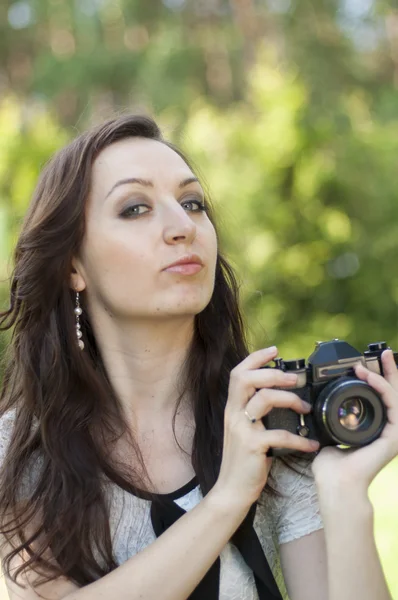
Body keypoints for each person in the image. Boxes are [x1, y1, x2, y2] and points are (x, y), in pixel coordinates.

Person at [0, 114, 396, 600]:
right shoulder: (21, 454)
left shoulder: (268, 428)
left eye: (192, 202)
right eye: (135, 208)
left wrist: (344, 493)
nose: (182, 226)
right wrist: (228, 497)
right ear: (73, 265)